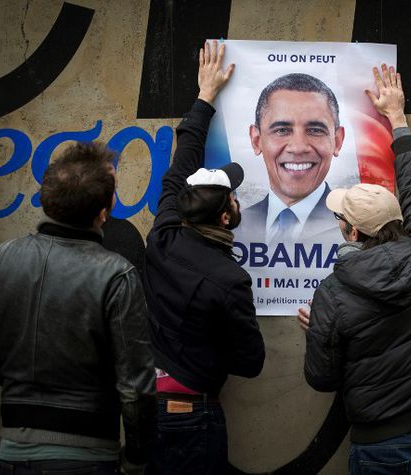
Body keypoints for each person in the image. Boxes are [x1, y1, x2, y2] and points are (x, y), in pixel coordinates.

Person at [299, 64, 411, 475]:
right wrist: (397, 118)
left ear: (352, 231)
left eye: (340, 218)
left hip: (380, 448)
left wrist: (320, 328)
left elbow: (321, 378)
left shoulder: (333, 296)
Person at [0, 142, 156, 474]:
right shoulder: (117, 275)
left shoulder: (0, 259)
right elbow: (136, 388)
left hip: (12, 454)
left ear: (47, 198)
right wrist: (136, 459)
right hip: (90, 457)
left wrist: (24, 385)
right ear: (104, 211)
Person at [143, 40, 265, 474]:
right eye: (232, 195)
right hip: (192, 414)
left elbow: (182, 164)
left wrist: (204, 97)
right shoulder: (229, 279)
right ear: (227, 214)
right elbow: (251, 361)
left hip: (147, 409)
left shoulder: (163, 234)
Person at [235, 72, 346, 244]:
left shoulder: (355, 227)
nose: (298, 147)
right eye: (282, 130)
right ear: (257, 140)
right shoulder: (235, 228)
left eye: (315, 130)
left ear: (337, 141)